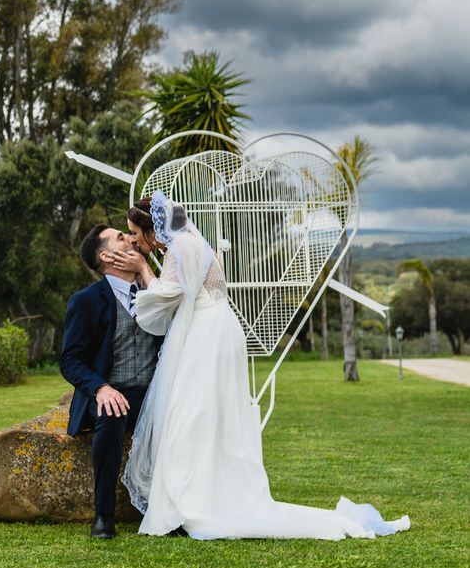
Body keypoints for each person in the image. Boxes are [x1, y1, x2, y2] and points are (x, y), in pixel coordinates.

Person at [115, 191, 409, 540]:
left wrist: (143, 271)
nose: (132, 240)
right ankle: (198, 495)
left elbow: (165, 297)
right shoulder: (191, 242)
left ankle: (191, 502)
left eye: (134, 233)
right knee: (205, 414)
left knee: (191, 413)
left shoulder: (181, 247)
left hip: (206, 335)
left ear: (153, 229)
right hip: (217, 329)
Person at [59, 223, 163, 538]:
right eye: (121, 237)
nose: (131, 238)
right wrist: (101, 388)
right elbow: (70, 360)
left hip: (154, 391)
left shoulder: (155, 290)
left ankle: (171, 511)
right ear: (106, 256)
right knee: (111, 414)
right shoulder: (86, 301)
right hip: (110, 391)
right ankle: (104, 516)